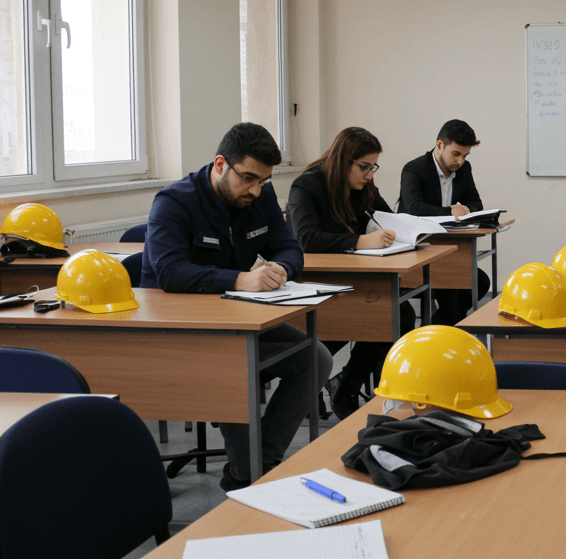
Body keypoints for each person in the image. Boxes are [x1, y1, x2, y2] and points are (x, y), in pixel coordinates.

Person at [143, 122, 333, 492]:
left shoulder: (260, 195)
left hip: (241, 320)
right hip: (185, 331)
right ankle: (251, 473)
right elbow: (168, 272)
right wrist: (238, 279)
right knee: (236, 369)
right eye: (248, 178)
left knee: (316, 358)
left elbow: (290, 247)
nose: (256, 190)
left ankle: (257, 462)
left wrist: (282, 267)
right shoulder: (174, 201)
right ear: (219, 165)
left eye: (263, 181)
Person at [286, 127, 399, 420]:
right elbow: (307, 239)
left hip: (352, 277)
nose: (369, 175)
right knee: (383, 315)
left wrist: (406, 230)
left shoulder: (363, 187)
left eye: (373, 167)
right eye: (364, 167)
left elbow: (387, 217)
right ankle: (336, 383)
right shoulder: (306, 186)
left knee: (395, 312)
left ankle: (344, 384)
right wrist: (361, 241)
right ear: (343, 160)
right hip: (311, 282)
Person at [397, 119, 490, 324]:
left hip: (448, 251)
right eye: (456, 154)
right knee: (452, 290)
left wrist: (466, 211)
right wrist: (451, 212)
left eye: (465, 155)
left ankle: (436, 328)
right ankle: (438, 336)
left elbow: (476, 203)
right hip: (418, 250)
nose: (460, 161)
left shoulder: (464, 170)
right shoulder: (414, 169)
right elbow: (415, 209)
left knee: (481, 281)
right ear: (440, 145)